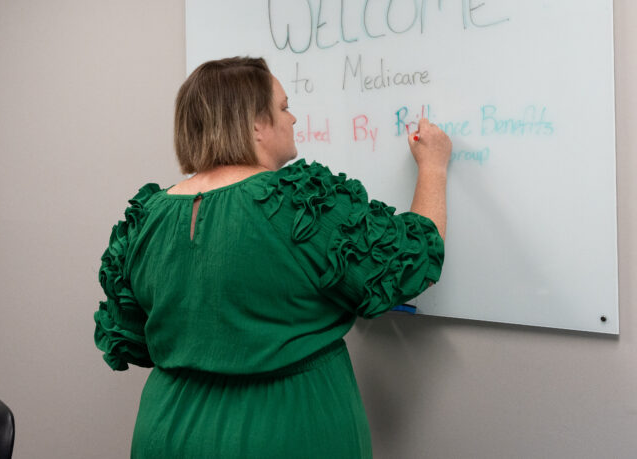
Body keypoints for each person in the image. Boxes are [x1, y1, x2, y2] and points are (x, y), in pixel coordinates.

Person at [93, 56, 451, 458]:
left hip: (167, 432)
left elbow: (130, 340)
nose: (294, 118)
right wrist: (434, 167)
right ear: (255, 124)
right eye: (283, 107)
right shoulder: (297, 204)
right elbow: (413, 259)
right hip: (285, 433)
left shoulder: (145, 218)